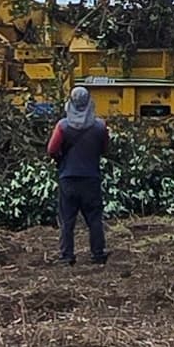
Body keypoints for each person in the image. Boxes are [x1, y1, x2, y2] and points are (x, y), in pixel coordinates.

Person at [48, 84, 111, 265]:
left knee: (67, 220)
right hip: (91, 178)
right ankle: (98, 254)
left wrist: (61, 159)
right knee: (94, 219)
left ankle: (67, 256)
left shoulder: (63, 126)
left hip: (68, 178)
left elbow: (52, 149)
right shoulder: (100, 126)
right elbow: (105, 148)